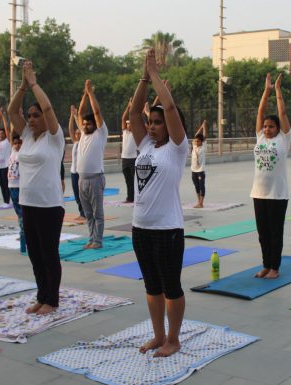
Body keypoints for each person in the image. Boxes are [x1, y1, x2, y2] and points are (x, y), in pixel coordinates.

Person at [129, 48, 188, 357]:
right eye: (150, 121)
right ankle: (158, 335)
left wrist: (155, 75)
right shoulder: (145, 145)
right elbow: (133, 111)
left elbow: (171, 108)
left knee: (171, 287)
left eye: (157, 122)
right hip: (141, 228)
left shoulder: (177, 148)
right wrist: (143, 77)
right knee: (152, 287)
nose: (151, 125)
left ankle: (174, 339)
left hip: (167, 230)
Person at [8, 60, 64, 315]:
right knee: (35, 256)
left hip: (49, 205)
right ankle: (42, 295)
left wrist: (34, 83)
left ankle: (52, 300)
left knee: (49, 255)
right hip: (28, 204)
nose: (30, 119)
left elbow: (49, 107)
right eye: (29, 116)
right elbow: (11, 111)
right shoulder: (28, 136)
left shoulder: (54, 137)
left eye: (35, 115)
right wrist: (22, 86)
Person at [252, 72, 291, 279]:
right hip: (259, 193)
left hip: (277, 194)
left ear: (278, 129)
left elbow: (283, 113)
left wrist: (276, 91)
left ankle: (275, 267)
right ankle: (266, 265)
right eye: (265, 126)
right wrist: (265, 91)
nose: (267, 128)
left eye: (271, 126)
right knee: (263, 234)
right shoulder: (260, 137)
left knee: (275, 233)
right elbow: (260, 111)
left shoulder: (283, 140)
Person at [75, 79, 108, 249]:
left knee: (98, 213)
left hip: (95, 179)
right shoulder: (83, 134)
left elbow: (96, 111)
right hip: (82, 180)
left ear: (95, 125)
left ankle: (98, 241)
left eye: (89, 123)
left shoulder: (100, 133)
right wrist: (84, 94)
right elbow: (81, 112)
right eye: (85, 123)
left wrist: (91, 94)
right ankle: (91, 238)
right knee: (88, 213)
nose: (86, 125)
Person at [6, 119, 26, 255]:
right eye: (15, 143)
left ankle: (24, 234)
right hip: (12, 186)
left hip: (20, 187)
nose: (17, 145)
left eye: (19, 142)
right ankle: (23, 232)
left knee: (22, 214)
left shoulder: (23, 153)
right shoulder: (12, 151)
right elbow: (11, 133)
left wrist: (19, 117)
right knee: (18, 213)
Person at [67, 104, 85, 219]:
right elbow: (70, 129)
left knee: (82, 194)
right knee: (76, 194)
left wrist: (76, 116)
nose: (77, 134)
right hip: (73, 172)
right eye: (76, 133)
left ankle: (84, 213)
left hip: (81, 172)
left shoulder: (84, 141)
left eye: (79, 133)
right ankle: (81, 212)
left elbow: (81, 130)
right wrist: (71, 116)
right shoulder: (75, 143)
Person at [0, 108, 12, 207]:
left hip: (6, 166)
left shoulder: (7, 141)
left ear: (5, 134)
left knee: (6, 184)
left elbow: (7, 128)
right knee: (1, 185)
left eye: (2, 133)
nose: (0, 134)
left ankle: (7, 202)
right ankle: (4, 201)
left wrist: (3, 117)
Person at [121, 98, 137, 203]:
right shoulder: (125, 132)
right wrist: (128, 106)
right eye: (127, 124)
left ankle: (137, 197)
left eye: (130, 123)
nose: (128, 125)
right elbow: (123, 118)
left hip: (133, 158)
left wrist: (133, 107)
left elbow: (136, 119)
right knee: (127, 180)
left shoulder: (136, 132)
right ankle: (129, 197)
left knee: (135, 179)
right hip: (124, 158)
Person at [191, 120, 207, 208]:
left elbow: (204, 136)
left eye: (198, 141)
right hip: (193, 170)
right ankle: (198, 202)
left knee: (201, 186)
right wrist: (200, 127)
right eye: (195, 141)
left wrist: (204, 127)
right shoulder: (194, 146)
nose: (196, 143)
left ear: (202, 142)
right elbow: (196, 135)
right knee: (196, 186)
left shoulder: (203, 147)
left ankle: (201, 203)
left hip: (200, 170)